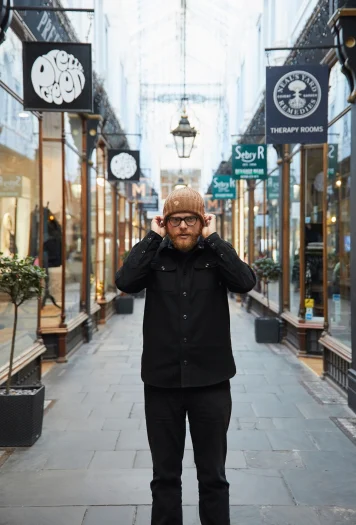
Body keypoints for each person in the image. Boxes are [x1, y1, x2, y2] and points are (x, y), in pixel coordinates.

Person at [115, 187, 256, 525]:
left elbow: (246, 281)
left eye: (190, 219)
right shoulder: (154, 256)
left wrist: (216, 238)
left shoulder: (215, 256)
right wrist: (150, 236)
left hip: (211, 382)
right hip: (162, 383)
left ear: (201, 221)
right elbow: (125, 280)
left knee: (213, 477)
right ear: (165, 222)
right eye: (175, 220)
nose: (182, 226)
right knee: (164, 478)